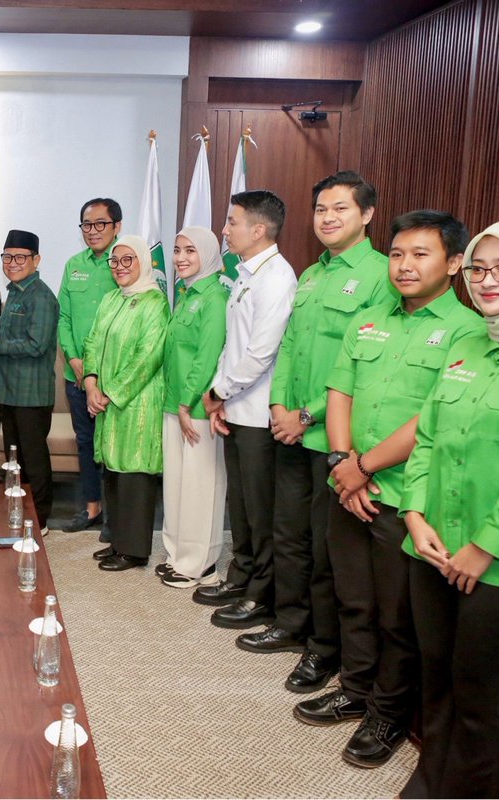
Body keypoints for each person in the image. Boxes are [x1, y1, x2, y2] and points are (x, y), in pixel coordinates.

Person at [294, 210, 486, 767]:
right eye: (398, 254)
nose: (404, 265)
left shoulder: (468, 331)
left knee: (398, 615)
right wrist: (340, 463)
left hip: (406, 497)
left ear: (453, 263)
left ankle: (389, 713)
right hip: (348, 482)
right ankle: (355, 687)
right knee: (352, 598)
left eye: (421, 255)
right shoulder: (369, 319)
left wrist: (365, 467)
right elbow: (339, 392)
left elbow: (435, 417)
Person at [399, 218, 499, 798]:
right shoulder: (467, 344)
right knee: (436, 682)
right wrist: (414, 515)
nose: (487, 281)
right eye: (479, 268)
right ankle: (429, 785)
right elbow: (428, 440)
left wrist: (485, 545)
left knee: (476, 699)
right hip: (434, 545)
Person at [242, 172, 396, 696]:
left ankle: (325, 651)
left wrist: (305, 415)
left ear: (367, 215)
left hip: (336, 441)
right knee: (289, 538)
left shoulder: (381, 275)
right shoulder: (308, 276)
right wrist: (280, 405)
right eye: (321, 210)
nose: (328, 218)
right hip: (291, 432)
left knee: (332, 554)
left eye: (340, 209)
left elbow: (360, 369)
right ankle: (290, 624)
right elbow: (288, 349)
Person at [197, 192, 295, 627]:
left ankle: (261, 595)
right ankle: (240, 576)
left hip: (258, 416)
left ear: (258, 229)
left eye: (232, 221)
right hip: (235, 408)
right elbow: (230, 345)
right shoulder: (245, 274)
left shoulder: (277, 276)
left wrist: (221, 391)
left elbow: (260, 353)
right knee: (240, 506)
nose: (224, 229)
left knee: (260, 510)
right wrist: (220, 397)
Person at [83, 235, 168, 571]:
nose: (118, 267)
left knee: (134, 473)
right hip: (105, 401)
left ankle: (134, 551)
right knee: (113, 473)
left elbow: (147, 357)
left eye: (127, 260)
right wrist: (91, 385)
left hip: (136, 402)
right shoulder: (110, 299)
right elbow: (92, 343)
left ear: (143, 263)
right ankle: (118, 541)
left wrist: (109, 393)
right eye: (114, 261)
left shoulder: (155, 303)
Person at [0, 229, 59, 533]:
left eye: (20, 257)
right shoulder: (18, 292)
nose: (13, 263)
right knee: (15, 458)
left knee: (33, 459)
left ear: (36, 260)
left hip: (31, 395)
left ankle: (40, 519)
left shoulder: (41, 296)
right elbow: (12, 331)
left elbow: (36, 345)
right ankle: (20, 511)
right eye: (8, 257)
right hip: (10, 391)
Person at [158, 227, 229, 588]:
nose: (180, 258)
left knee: (202, 488)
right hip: (175, 404)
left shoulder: (215, 297)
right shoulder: (186, 295)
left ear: (208, 254)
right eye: (176, 250)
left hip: (197, 408)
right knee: (177, 486)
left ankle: (201, 564)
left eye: (190, 251)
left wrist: (187, 403)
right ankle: (178, 554)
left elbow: (207, 357)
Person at [58, 198, 121, 535]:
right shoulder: (73, 265)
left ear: (117, 227)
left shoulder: (125, 263)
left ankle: (115, 515)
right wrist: (73, 358)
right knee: (85, 442)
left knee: (112, 445)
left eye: (100, 224)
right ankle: (92, 507)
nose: (92, 231)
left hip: (113, 378)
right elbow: (64, 317)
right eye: (87, 224)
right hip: (77, 375)